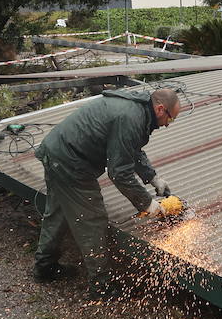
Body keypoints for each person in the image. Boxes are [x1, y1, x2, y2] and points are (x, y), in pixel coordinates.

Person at [33, 87, 184, 287]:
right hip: (70, 162)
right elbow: (119, 173)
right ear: (160, 109)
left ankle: (44, 267)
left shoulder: (138, 110)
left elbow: (131, 148)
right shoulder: (131, 118)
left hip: (58, 152)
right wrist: (147, 204)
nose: (167, 125)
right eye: (170, 119)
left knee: (58, 212)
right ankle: (102, 285)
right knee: (92, 220)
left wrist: (153, 177)